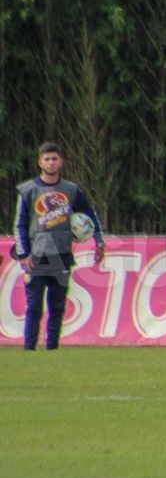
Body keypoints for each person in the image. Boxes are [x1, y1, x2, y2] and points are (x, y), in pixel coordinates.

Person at [12, 142, 105, 350]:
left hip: (62, 255)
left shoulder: (71, 190)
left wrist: (99, 241)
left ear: (61, 162)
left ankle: (52, 348)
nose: (51, 163)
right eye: (47, 159)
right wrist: (23, 254)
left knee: (57, 306)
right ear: (40, 162)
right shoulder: (28, 190)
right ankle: (29, 349)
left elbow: (91, 215)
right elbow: (19, 224)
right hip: (36, 256)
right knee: (34, 306)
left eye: (54, 159)